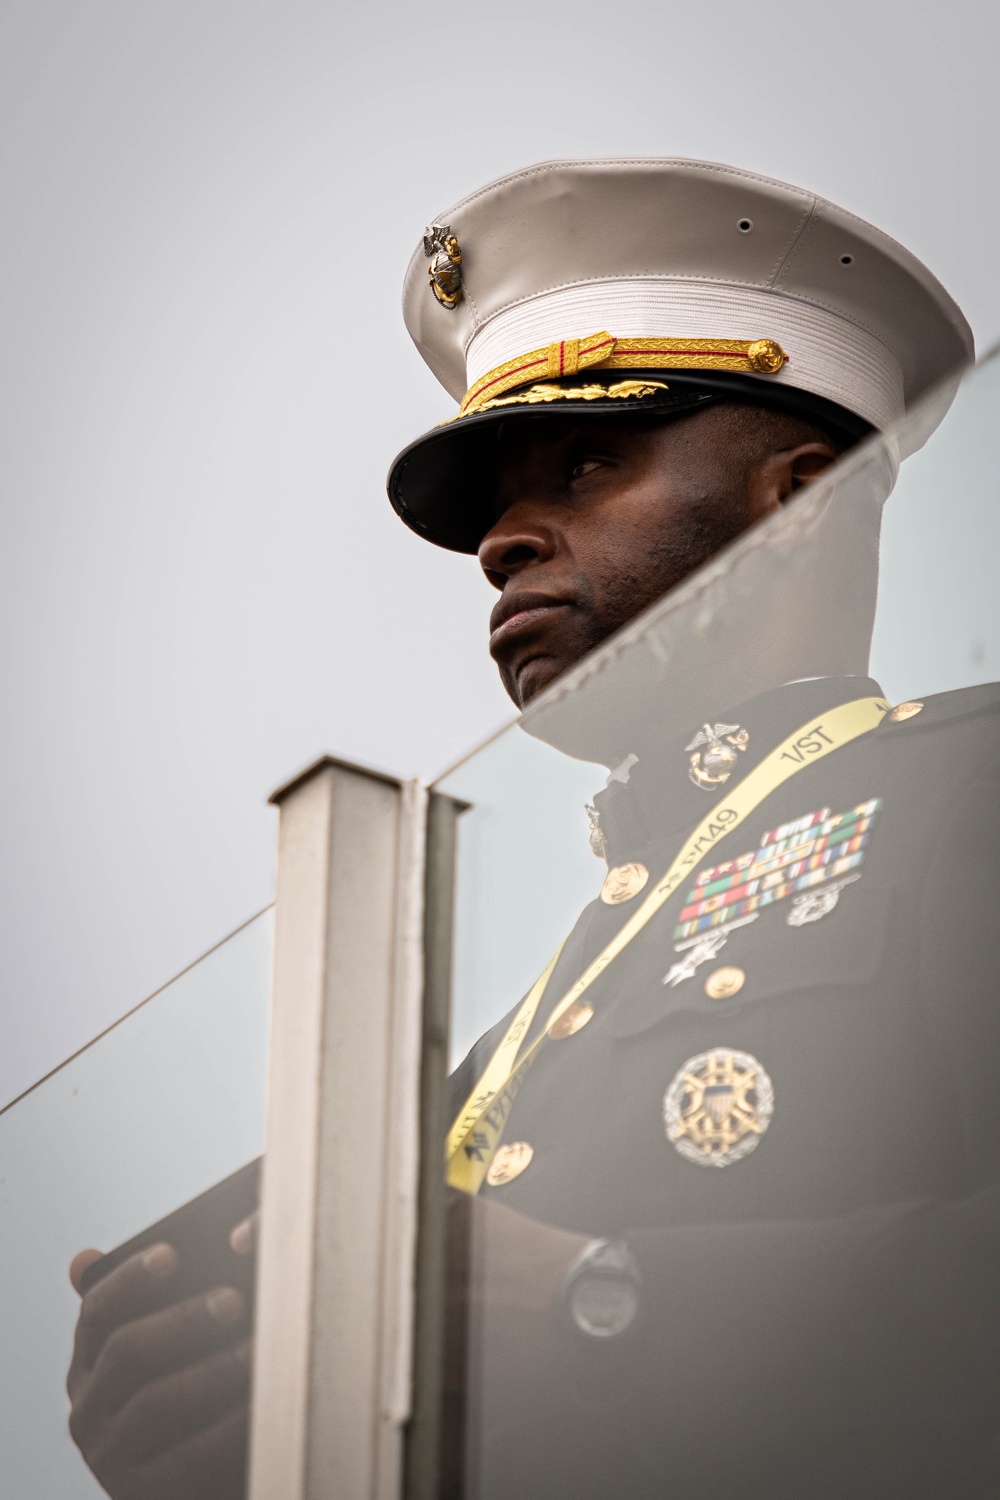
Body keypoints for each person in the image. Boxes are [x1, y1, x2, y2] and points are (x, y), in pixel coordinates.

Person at [66, 159, 996, 1498]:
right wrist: (217, 1411)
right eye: (498, 507)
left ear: (792, 501)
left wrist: (611, 1304)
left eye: (589, 460)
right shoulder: (525, 1037)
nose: (504, 540)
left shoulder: (973, 789)